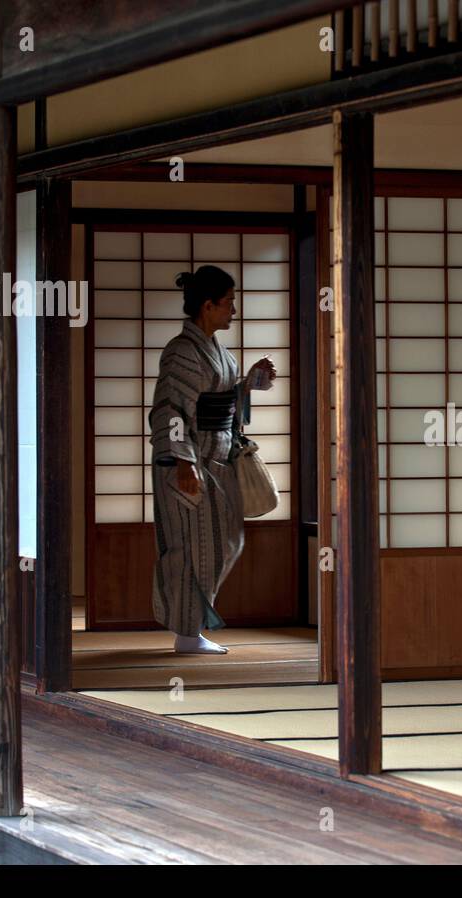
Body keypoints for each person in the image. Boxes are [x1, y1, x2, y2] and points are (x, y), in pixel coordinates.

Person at [148, 265, 277, 654]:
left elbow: (224, 400)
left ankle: (191, 628)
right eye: (228, 303)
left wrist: (250, 381)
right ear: (208, 306)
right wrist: (183, 464)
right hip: (190, 463)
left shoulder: (217, 352)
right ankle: (188, 634)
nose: (233, 310)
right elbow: (169, 411)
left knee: (224, 543)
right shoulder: (182, 352)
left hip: (217, 460)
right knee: (191, 548)